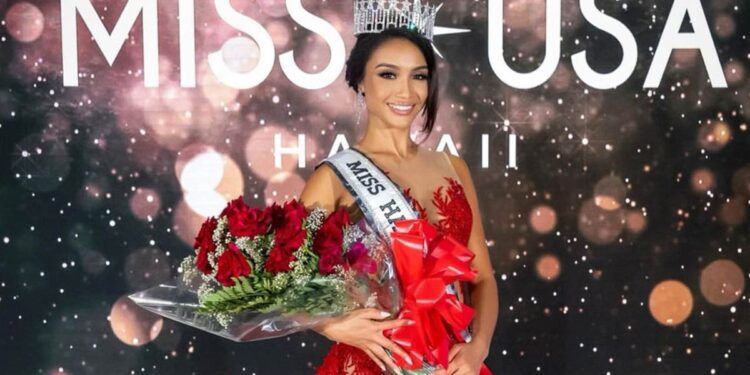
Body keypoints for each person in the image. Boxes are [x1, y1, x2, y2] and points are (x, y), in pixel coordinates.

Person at [300, 25, 498, 375]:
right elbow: (290, 286)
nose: (406, 91)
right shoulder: (333, 179)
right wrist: (333, 326)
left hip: (452, 365)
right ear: (360, 82)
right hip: (373, 363)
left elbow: (481, 278)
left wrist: (477, 348)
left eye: (418, 76)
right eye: (388, 74)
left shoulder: (454, 167)